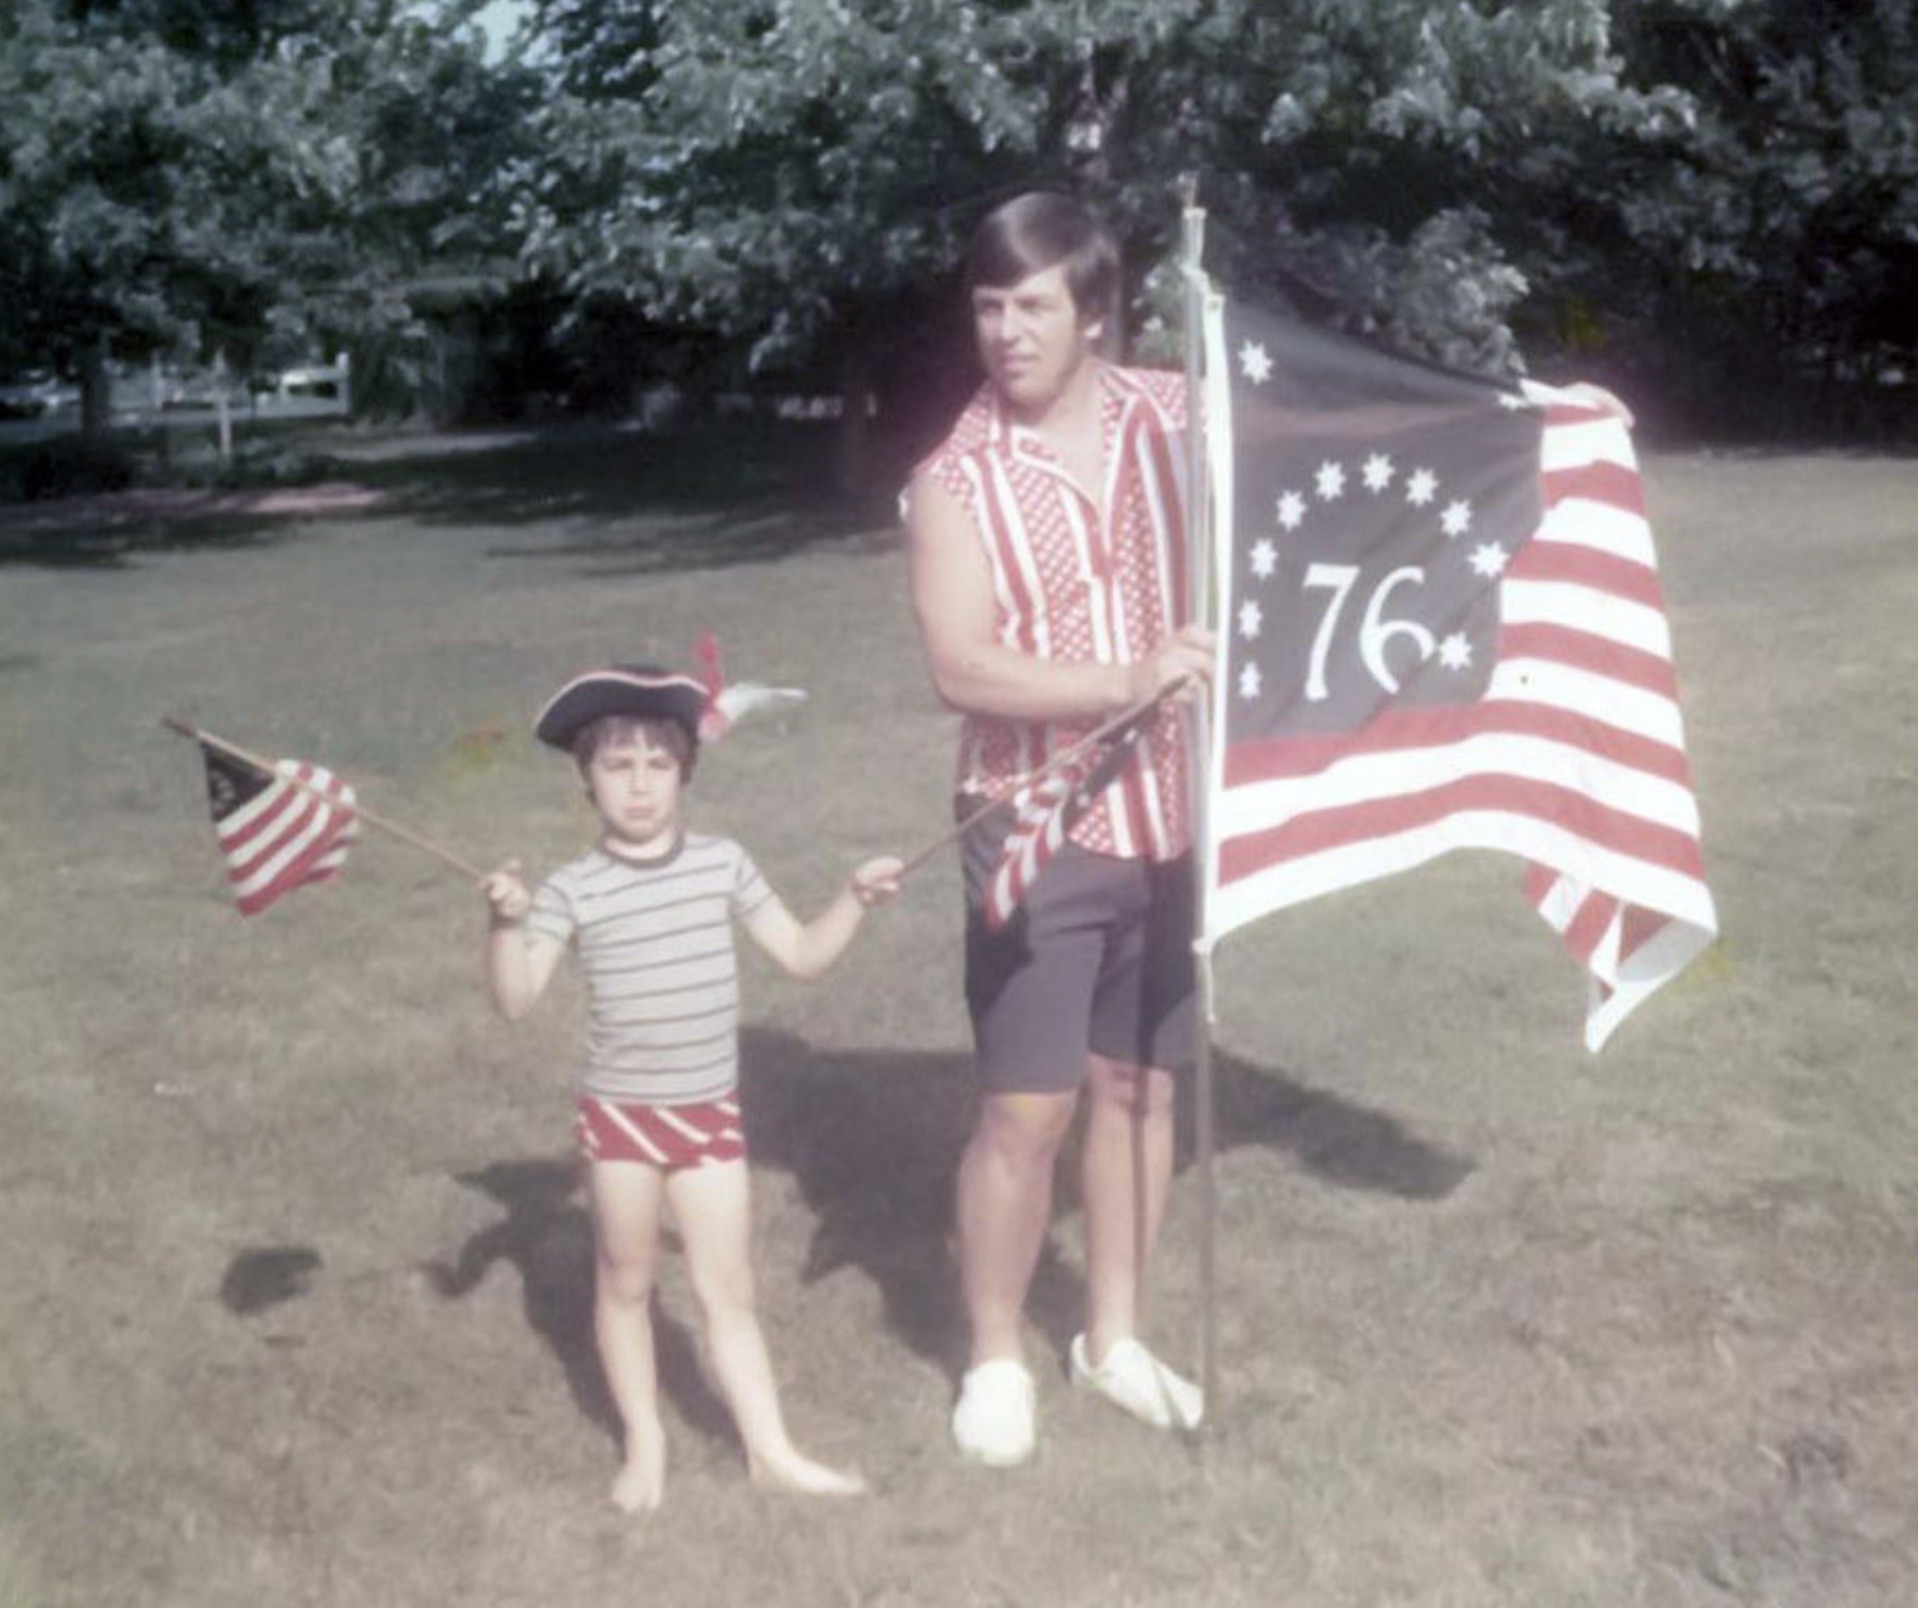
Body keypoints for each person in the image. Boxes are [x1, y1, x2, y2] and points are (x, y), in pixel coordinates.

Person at [905, 191, 1216, 1467]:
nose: (1005, 331)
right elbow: (961, 669)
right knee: (1025, 1113)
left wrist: (1539, 423)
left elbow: (1314, 433)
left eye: (1032, 304)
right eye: (987, 305)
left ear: (1095, 312)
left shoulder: (1173, 412)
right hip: (1033, 827)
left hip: (1173, 815)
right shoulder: (951, 481)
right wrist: (1123, 678)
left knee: (1141, 1091)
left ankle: (1115, 1339)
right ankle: (990, 1358)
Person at [480, 665, 901, 1511]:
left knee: (727, 1290)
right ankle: (646, 1441)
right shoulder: (573, 888)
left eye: (657, 765)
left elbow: (802, 955)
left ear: (685, 772)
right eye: (617, 766)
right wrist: (503, 925)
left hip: (708, 1119)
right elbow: (516, 1000)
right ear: (585, 777)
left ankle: (770, 1449)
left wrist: (852, 899)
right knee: (626, 1280)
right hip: (621, 1124)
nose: (638, 786)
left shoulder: (723, 866)